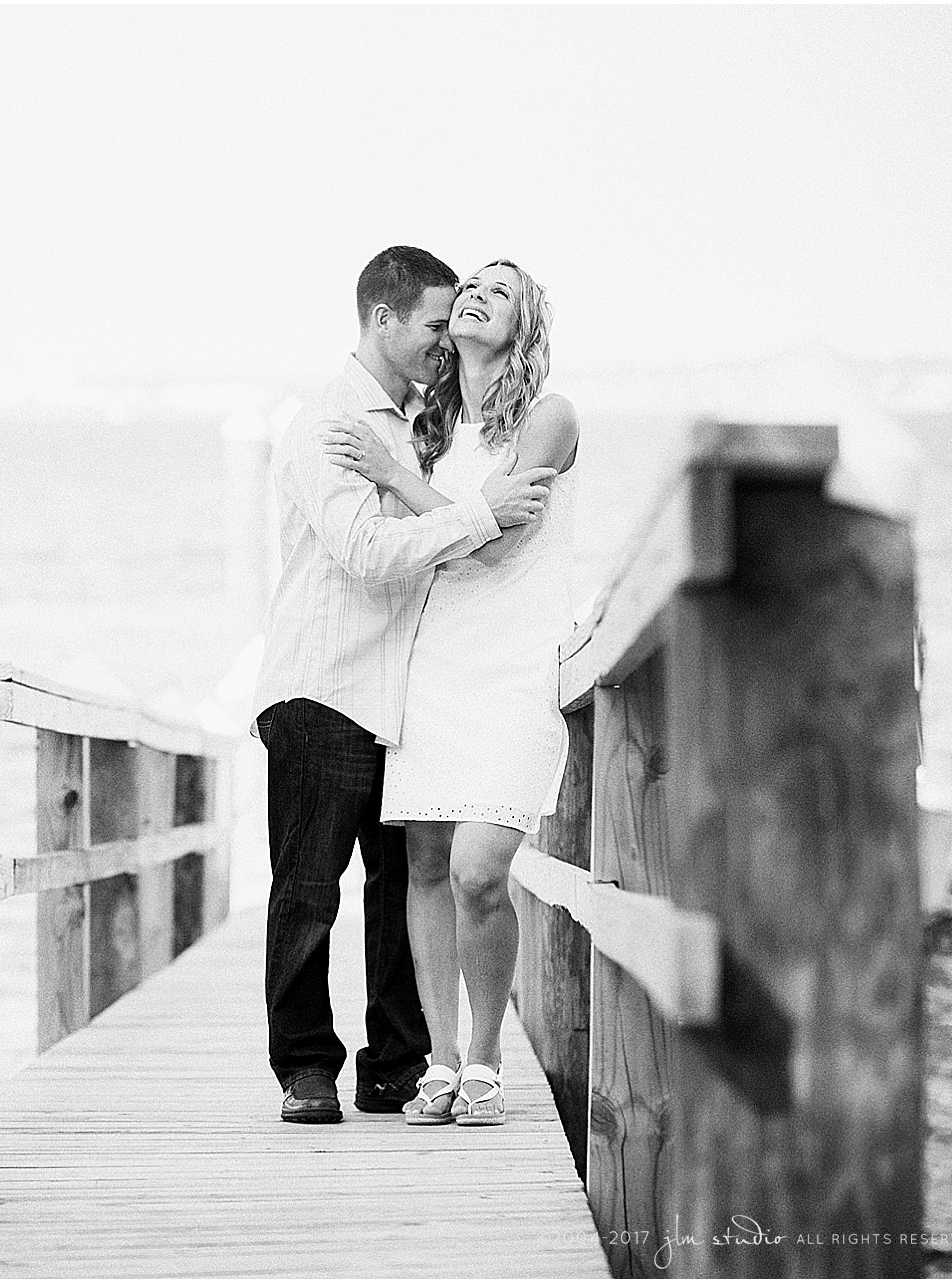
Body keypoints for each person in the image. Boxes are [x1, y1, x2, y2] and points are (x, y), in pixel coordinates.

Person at [252, 246, 558, 1124]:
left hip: (404, 693)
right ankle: (306, 1067)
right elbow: (366, 552)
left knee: (404, 881)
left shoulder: (426, 422)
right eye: (433, 322)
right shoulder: (331, 424)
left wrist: (431, 493)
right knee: (310, 888)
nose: (441, 340)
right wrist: (475, 514)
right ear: (383, 321)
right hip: (324, 686)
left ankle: (397, 1061)